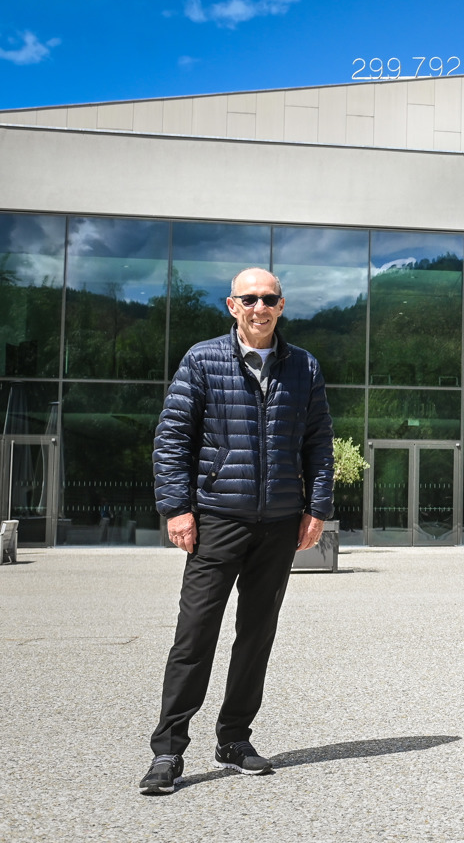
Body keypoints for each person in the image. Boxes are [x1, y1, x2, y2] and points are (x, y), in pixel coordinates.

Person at [141, 268, 334, 795]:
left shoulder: (304, 366)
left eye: (269, 298)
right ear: (232, 305)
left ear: (281, 305)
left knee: (256, 635)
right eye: (249, 298)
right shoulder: (203, 359)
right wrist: (177, 508)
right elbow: (172, 439)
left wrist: (316, 507)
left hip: (277, 525)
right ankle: (168, 751)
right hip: (218, 521)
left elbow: (318, 443)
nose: (259, 306)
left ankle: (233, 738)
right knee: (195, 634)